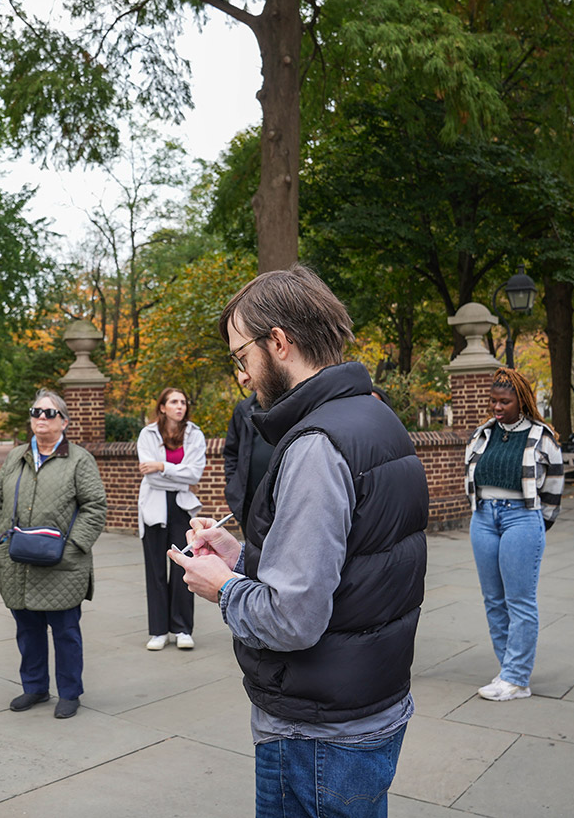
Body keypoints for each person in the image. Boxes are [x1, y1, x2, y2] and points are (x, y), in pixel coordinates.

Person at [169, 266, 428, 818]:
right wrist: (239, 558)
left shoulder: (316, 444)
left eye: (242, 357)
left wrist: (222, 588)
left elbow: (293, 619)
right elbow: (351, 561)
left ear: (278, 343)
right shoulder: (378, 417)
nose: (242, 376)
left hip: (317, 735)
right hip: (369, 707)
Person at [0, 390, 107, 719]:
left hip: (62, 565)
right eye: (36, 411)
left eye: (50, 413)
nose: (41, 417)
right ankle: (35, 687)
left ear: (64, 421)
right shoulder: (15, 457)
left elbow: (95, 508)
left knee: (66, 632)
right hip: (17, 562)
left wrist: (73, 546)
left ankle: (69, 692)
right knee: (27, 630)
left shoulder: (79, 459)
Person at [463, 367, 563, 702]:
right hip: (483, 518)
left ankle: (517, 677)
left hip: (521, 518)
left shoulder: (541, 435)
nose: (497, 407)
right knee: (493, 600)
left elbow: (554, 485)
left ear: (521, 401)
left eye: (504, 401)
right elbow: (472, 477)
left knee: (519, 600)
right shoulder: (483, 433)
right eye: (493, 401)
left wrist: (537, 524)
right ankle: (508, 670)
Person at [137, 386, 206, 650]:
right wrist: (175, 472)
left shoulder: (195, 434)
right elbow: (149, 475)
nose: (180, 406)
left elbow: (195, 475)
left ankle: (182, 629)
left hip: (182, 507)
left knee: (183, 568)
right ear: (162, 407)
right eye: (174, 402)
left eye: (183, 402)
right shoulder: (147, 434)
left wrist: (162, 466)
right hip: (153, 508)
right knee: (155, 570)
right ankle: (158, 631)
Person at [223, 391, 273, 523]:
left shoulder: (292, 405)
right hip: (250, 504)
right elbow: (231, 452)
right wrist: (233, 484)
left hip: (281, 500)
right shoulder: (243, 409)